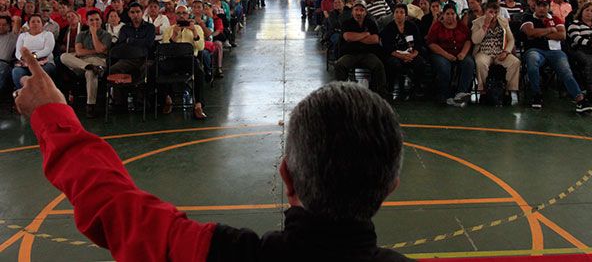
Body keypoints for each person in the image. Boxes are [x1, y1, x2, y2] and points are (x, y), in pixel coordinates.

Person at [14, 49, 410, 261]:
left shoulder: (217, 254)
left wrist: (53, 115)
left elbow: (116, 209)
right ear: (390, 186)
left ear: (286, 176)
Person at [520, 0, 592, 113]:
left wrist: (541, 34)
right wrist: (550, 30)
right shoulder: (528, 17)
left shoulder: (556, 18)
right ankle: (536, 95)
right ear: (535, 7)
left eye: (545, 6)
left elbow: (562, 36)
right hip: (535, 50)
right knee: (532, 62)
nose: (542, 8)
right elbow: (530, 32)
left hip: (555, 51)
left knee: (565, 70)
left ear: (549, 7)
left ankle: (580, 99)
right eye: (539, 5)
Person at [60, 11, 112, 118]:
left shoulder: (106, 35)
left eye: (97, 19)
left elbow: (100, 49)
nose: (95, 22)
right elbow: (79, 52)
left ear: (101, 21)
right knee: (64, 56)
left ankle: (90, 106)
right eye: (91, 20)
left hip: (98, 61)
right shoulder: (81, 34)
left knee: (90, 73)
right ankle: (88, 67)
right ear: (87, 22)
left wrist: (93, 34)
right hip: (81, 63)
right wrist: (95, 51)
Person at [161, 4, 207, 119]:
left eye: (184, 13)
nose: (181, 16)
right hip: (172, 59)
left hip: (189, 59)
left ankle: (198, 105)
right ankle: (167, 99)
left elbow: (200, 47)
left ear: (188, 15)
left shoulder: (197, 28)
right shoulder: (169, 29)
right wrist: (175, 35)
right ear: (175, 15)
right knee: (156, 69)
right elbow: (165, 49)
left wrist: (194, 32)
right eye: (179, 13)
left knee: (199, 72)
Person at [471, 1, 520, 103]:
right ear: (485, 12)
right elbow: (475, 40)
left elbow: (511, 40)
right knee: (480, 63)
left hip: (500, 51)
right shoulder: (477, 22)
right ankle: (484, 90)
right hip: (484, 51)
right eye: (491, 12)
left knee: (515, 62)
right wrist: (485, 25)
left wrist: (506, 52)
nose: (493, 14)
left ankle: (507, 90)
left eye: (496, 12)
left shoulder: (503, 22)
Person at [334, 1, 387, 97]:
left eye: (361, 10)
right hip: (350, 54)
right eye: (356, 10)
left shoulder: (371, 23)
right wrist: (366, 34)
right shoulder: (346, 23)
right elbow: (348, 37)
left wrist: (356, 38)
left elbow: (375, 39)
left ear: (365, 12)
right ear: (352, 12)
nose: (359, 12)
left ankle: (379, 93)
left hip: (368, 54)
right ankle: (341, 93)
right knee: (339, 65)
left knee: (378, 65)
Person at [427, 4, 474, 106]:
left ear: (456, 15)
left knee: (469, 63)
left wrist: (463, 53)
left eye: (452, 13)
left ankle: (461, 93)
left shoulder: (461, 25)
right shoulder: (437, 26)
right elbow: (431, 43)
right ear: (443, 15)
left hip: (460, 53)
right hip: (441, 53)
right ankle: (444, 94)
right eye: (447, 13)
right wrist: (446, 55)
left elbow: (468, 40)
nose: (450, 16)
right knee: (444, 67)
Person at [380, 4, 427, 97]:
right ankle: (391, 87)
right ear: (393, 14)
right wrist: (402, 56)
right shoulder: (389, 28)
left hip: (411, 54)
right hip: (395, 54)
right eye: (396, 12)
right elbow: (387, 47)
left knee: (421, 63)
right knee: (394, 64)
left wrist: (412, 55)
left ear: (406, 15)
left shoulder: (412, 26)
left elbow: (418, 43)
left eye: (401, 12)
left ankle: (416, 86)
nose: (399, 15)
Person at [12, 14, 56, 90]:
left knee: (43, 71)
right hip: (25, 62)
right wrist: (24, 58)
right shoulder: (23, 35)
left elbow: (48, 50)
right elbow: (18, 52)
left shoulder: (48, 34)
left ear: (42, 24)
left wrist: (33, 57)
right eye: (33, 22)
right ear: (28, 24)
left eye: (38, 22)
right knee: (16, 72)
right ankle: (25, 94)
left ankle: (40, 94)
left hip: (45, 62)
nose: (35, 23)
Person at [567, 2, 592, 100]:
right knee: (591, 62)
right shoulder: (574, 24)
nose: (589, 13)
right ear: (581, 11)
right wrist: (591, 43)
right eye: (587, 10)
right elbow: (576, 38)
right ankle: (590, 90)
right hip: (580, 49)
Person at [0, 15, 18, 93]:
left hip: (3, 63)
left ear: (9, 26)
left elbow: (17, 20)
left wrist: (13, 20)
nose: (1, 27)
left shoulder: (12, 36)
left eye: (4, 25)